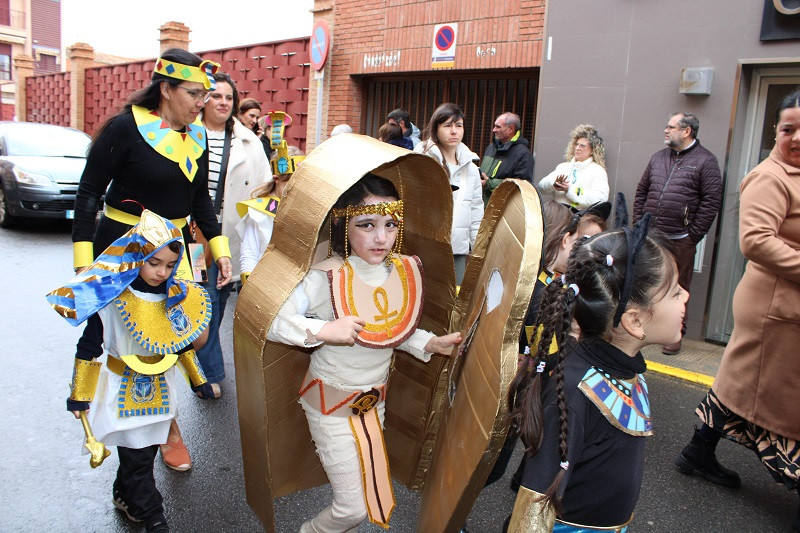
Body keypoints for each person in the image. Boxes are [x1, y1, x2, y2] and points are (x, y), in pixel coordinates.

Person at [266, 174, 461, 532]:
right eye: (367, 224)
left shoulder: (399, 271)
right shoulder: (326, 276)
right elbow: (271, 320)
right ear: (343, 224)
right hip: (330, 404)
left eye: (390, 225)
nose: (381, 237)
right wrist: (325, 329)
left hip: (374, 403)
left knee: (368, 494)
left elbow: (390, 328)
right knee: (353, 508)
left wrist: (430, 343)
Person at [70, 48, 233, 472]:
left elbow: (200, 203)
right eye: (196, 94)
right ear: (166, 89)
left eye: (206, 94)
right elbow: (88, 195)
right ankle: (127, 431)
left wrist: (221, 251)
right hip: (122, 248)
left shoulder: (198, 137)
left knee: (174, 333)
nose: (204, 103)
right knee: (118, 341)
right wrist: (83, 261)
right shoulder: (125, 129)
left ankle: (165, 428)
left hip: (173, 250)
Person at [503, 217, 687, 532]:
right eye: (674, 292)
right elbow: (531, 515)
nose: (684, 296)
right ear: (634, 321)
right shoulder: (575, 392)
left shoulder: (628, 366)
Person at [674, 91, 800, 531]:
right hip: (776, 308)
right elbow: (756, 241)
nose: (796, 138)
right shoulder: (771, 176)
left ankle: (697, 451)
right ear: (775, 133)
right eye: (788, 129)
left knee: (739, 375)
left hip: (783, 309)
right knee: (782, 398)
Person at [47, 211, 218, 533]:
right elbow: (89, 348)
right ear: (137, 255)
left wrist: (199, 381)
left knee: (142, 453)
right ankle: (155, 518)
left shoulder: (173, 297)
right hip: (121, 390)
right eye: (154, 263)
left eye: (169, 265)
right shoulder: (111, 299)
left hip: (161, 390)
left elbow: (179, 343)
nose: (161, 272)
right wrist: (79, 396)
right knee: (139, 460)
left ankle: (123, 494)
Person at [485, 200, 609, 492]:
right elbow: (546, 353)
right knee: (489, 467)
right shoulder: (541, 293)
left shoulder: (533, 279)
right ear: (564, 238)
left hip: (508, 388)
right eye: (580, 241)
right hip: (513, 392)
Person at [194, 72, 270, 393]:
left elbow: (264, 189)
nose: (223, 102)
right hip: (195, 237)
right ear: (203, 100)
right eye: (216, 96)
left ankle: (195, 360)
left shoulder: (249, 142)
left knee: (221, 298)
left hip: (233, 235)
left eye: (229, 98)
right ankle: (209, 375)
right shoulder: (185, 133)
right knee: (204, 299)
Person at [633, 112, 722, 355]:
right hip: (651, 236)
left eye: (671, 126)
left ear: (686, 131)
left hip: (680, 239)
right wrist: (639, 225)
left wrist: (692, 235)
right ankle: (645, 328)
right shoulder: (658, 157)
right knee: (648, 281)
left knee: (679, 287)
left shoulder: (706, 161)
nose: (666, 130)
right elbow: (642, 192)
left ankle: (674, 334)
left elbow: (711, 202)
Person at [414, 103, 483, 284]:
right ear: (436, 128)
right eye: (447, 125)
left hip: (458, 248)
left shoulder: (472, 169)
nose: (454, 131)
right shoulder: (421, 160)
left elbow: (476, 212)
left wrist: (478, 249)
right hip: (426, 247)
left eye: (458, 125)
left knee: (452, 302)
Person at [236, 143, 305, 281]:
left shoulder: (301, 209)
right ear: (276, 179)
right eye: (290, 184)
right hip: (263, 283)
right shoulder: (259, 211)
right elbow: (249, 253)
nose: (295, 190)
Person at [538, 124, 610, 211]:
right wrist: (553, 183)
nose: (577, 148)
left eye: (582, 145)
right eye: (576, 144)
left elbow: (600, 199)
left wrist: (570, 190)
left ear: (593, 150)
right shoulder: (563, 167)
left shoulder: (598, 171)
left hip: (581, 220)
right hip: (557, 217)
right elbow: (541, 188)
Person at [480, 112, 534, 205]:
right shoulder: (491, 148)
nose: (494, 130)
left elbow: (522, 186)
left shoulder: (523, 154)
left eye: (498, 127)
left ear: (511, 129)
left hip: (501, 210)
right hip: (480, 207)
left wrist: (489, 183)